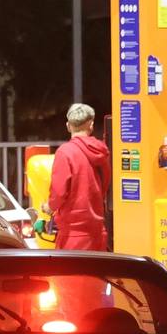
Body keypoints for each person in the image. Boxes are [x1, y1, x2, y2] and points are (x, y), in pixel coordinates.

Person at [49, 103, 112, 251]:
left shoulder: (65, 152)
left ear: (68, 126)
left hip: (72, 235)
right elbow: (105, 184)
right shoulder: (102, 151)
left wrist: (49, 207)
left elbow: (58, 193)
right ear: (91, 125)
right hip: (97, 231)